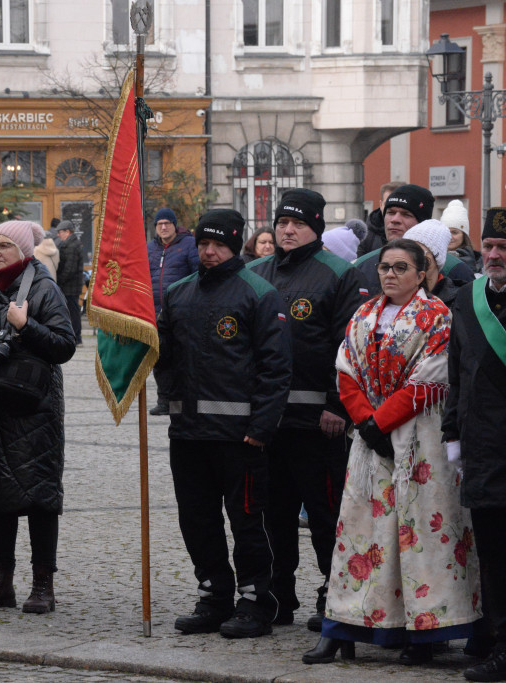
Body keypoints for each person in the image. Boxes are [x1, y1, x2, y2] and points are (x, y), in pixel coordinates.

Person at [304, 238, 481, 666]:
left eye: (401, 268)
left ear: (423, 274)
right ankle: (342, 625)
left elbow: (432, 378)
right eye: (385, 267)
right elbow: (346, 368)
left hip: (418, 440)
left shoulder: (437, 316)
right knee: (362, 532)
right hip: (370, 444)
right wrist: (365, 420)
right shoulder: (363, 314)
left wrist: (380, 422)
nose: (390, 274)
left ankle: (426, 632)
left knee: (422, 533)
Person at [159, 209, 292, 639]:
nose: (209, 252)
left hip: (241, 437)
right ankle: (214, 594)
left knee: (247, 521)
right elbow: (163, 354)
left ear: (235, 245)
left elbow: (276, 368)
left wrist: (263, 426)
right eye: (202, 244)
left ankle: (256, 600)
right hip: (188, 433)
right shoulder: (178, 293)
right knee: (197, 519)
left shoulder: (259, 293)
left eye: (217, 245)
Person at [249, 188, 369, 632]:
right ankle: (277, 595)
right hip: (267, 424)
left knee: (326, 516)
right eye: (282, 222)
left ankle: (333, 595)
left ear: (316, 227)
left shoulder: (339, 274)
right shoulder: (255, 271)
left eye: (298, 223)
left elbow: (350, 345)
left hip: (318, 424)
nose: (287, 230)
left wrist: (338, 405)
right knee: (273, 516)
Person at [0, 220, 75, 615]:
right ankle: (0, 582)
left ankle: (43, 586)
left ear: (23, 251)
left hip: (33, 411)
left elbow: (64, 344)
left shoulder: (43, 288)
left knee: (39, 497)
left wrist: (27, 326)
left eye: (5, 244)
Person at [443, 207, 506, 682]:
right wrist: (452, 437)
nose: (494, 255)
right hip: (481, 451)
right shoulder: (467, 299)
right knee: (497, 561)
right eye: (489, 247)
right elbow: (456, 375)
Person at [355, 184, 475, 296]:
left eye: (406, 214)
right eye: (390, 212)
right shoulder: (363, 266)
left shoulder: (455, 269)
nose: (394, 220)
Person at [147, 207, 199, 415]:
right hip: (155, 313)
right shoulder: (149, 248)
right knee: (159, 359)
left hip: (181, 312)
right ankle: (164, 401)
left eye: (167, 223)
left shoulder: (188, 244)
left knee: (181, 359)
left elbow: (197, 274)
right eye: (160, 224)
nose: (164, 227)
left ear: (174, 226)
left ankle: (182, 401)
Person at [403, 219, 460, 306]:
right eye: (404, 251)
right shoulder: (393, 294)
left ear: (436, 259)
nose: (408, 258)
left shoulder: (458, 301)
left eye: (418, 252)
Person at [55, 220, 85, 345]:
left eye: (60, 232)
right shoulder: (70, 244)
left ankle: (77, 337)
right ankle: (75, 336)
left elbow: (69, 269)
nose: (58, 235)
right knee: (72, 311)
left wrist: (59, 280)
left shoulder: (71, 246)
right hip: (70, 285)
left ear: (67, 232)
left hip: (70, 286)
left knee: (73, 312)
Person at [358, 180, 404, 258]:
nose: (393, 208)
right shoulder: (365, 236)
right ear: (381, 204)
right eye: (388, 203)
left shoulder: (418, 232)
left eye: (399, 204)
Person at [440, 199, 480, 273]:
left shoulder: (478, 260)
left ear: (464, 235)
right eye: (446, 232)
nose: (450, 237)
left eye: (454, 232)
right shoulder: (434, 257)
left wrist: (471, 270)